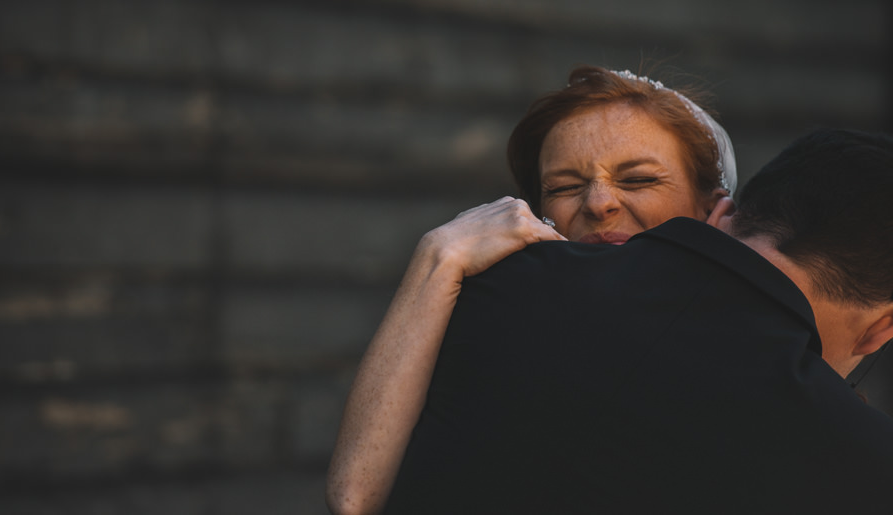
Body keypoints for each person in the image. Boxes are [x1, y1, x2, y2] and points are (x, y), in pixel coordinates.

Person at [382, 128, 893, 514]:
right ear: (881, 329)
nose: (602, 204)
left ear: (720, 216)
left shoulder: (492, 279)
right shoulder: (866, 465)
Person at [326, 66, 738, 514]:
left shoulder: (750, 345)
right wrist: (438, 253)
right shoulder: (496, 331)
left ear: (712, 207)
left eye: (637, 179)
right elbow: (354, 498)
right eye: (564, 187)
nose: (599, 204)